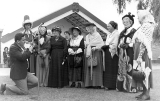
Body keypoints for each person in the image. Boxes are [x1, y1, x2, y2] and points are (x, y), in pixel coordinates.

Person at [131, 10, 155, 100]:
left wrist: (140, 55)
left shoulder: (147, 26)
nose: (138, 19)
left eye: (139, 17)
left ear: (144, 17)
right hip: (139, 52)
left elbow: (145, 42)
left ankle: (147, 94)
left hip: (143, 53)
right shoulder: (143, 26)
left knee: (145, 71)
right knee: (140, 71)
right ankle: (143, 92)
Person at [117, 12, 136, 92]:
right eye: (123, 22)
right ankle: (121, 87)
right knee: (122, 69)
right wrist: (120, 45)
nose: (125, 23)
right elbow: (118, 43)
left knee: (129, 68)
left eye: (126, 21)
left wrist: (129, 45)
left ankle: (130, 87)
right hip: (122, 53)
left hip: (130, 52)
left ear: (131, 22)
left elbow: (136, 42)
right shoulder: (122, 32)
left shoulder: (134, 31)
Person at [84, 23, 104, 88]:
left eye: (89, 28)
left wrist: (96, 47)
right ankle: (89, 83)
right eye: (87, 28)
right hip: (89, 52)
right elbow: (87, 44)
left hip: (96, 52)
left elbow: (102, 44)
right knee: (89, 66)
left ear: (93, 28)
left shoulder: (97, 35)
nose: (88, 29)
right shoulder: (87, 36)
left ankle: (97, 84)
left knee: (96, 66)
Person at [101, 21, 119, 90]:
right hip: (107, 51)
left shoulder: (116, 33)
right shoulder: (108, 34)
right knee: (107, 68)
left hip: (113, 52)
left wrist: (108, 46)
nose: (107, 27)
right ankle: (107, 84)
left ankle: (113, 85)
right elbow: (107, 42)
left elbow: (115, 44)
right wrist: (105, 46)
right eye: (107, 26)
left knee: (112, 68)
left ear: (113, 26)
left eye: (109, 26)